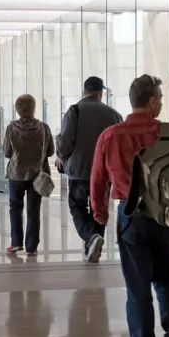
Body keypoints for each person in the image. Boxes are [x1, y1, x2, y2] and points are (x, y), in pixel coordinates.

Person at [91, 74, 169, 337]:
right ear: (152, 100)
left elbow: (98, 179)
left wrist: (99, 214)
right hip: (166, 217)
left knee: (138, 287)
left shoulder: (110, 135)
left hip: (131, 217)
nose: (160, 103)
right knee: (166, 278)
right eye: (159, 97)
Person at [56, 76, 123, 263]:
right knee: (98, 209)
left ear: (84, 91)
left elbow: (65, 143)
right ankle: (93, 250)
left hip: (79, 170)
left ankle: (91, 237)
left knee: (77, 206)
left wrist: (61, 156)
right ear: (101, 93)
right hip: (103, 172)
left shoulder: (75, 110)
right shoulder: (114, 115)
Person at [3, 94, 54, 256]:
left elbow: (6, 152)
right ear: (33, 108)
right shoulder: (44, 128)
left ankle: (16, 243)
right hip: (37, 175)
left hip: (16, 174)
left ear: (18, 110)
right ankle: (32, 246)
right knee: (34, 210)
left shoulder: (11, 128)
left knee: (15, 208)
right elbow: (51, 151)